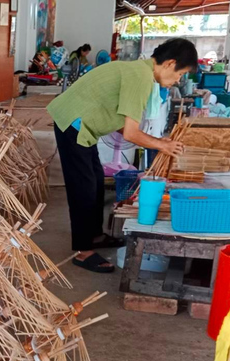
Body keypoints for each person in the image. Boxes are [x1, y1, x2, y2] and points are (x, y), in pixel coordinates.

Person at [47, 38, 197, 273]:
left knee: (95, 180)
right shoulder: (141, 78)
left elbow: (124, 122)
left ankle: (95, 236)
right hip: (72, 123)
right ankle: (84, 252)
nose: (178, 80)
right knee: (83, 186)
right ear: (170, 63)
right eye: (181, 74)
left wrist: (155, 141)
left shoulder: (140, 72)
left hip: (82, 126)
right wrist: (161, 145)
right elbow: (130, 133)